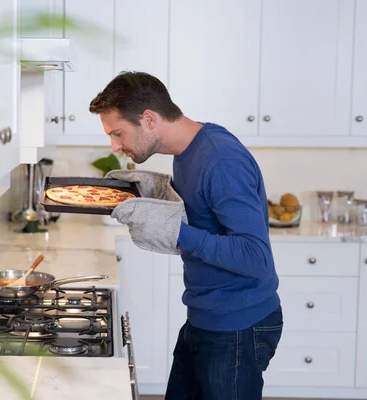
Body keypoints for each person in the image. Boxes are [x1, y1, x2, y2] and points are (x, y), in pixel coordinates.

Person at [89, 71, 283, 399]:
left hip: (237, 326)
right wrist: (159, 195)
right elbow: (206, 222)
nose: (115, 145)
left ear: (149, 119)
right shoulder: (187, 154)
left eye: (118, 133)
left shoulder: (221, 159)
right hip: (205, 316)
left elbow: (256, 257)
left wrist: (176, 230)